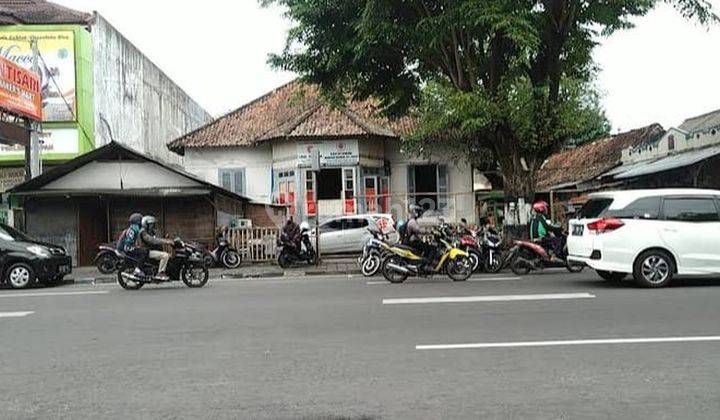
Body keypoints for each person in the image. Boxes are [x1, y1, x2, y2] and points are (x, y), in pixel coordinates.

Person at [139, 215, 174, 281]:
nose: (153, 226)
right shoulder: (143, 232)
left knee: (165, 254)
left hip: (149, 250)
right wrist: (166, 241)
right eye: (151, 224)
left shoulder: (150, 232)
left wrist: (166, 239)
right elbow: (152, 240)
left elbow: (157, 239)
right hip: (146, 252)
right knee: (165, 256)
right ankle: (160, 273)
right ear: (146, 224)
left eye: (153, 224)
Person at [117, 213, 148, 277]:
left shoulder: (131, 227)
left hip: (126, 247)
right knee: (145, 252)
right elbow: (132, 240)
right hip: (128, 248)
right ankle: (138, 269)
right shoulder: (135, 228)